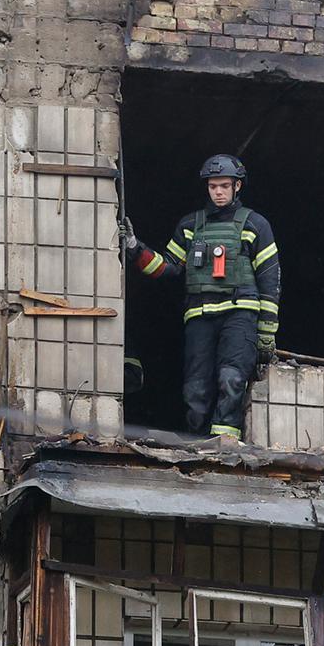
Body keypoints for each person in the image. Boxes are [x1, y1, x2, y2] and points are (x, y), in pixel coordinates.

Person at [123, 154, 281, 440]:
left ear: (237, 186)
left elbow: (269, 282)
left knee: (231, 379)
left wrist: (267, 332)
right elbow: (168, 269)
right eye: (212, 186)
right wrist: (135, 247)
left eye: (224, 186)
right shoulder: (190, 226)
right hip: (199, 315)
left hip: (240, 314)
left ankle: (226, 444)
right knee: (195, 389)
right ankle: (197, 442)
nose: (218, 192)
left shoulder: (256, 225)